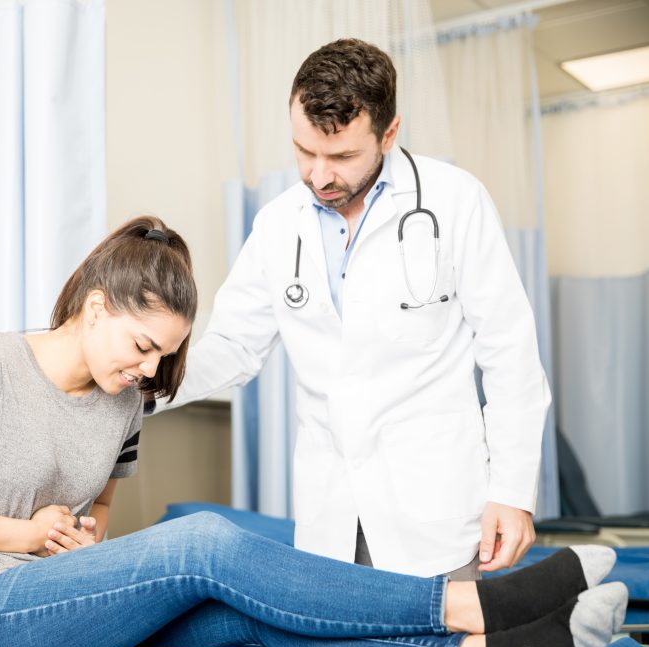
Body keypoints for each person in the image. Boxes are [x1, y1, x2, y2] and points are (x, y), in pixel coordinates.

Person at [0, 216, 625, 647]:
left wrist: (77, 535)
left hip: (63, 593)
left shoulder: (127, 398)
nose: (147, 372)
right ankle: (473, 603)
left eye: (162, 358)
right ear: (95, 306)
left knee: (243, 614)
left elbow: (94, 517)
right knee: (202, 543)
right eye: (141, 347)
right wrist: (26, 534)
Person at [159, 38, 552, 580]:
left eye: (342, 156)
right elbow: (232, 348)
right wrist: (141, 383)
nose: (319, 177)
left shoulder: (455, 201)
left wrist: (512, 490)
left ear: (389, 133)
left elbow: (510, 352)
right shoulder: (278, 224)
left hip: (433, 504)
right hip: (331, 509)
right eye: (304, 151)